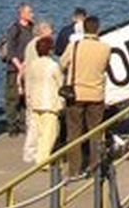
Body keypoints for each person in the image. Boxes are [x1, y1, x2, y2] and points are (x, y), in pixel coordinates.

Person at [59, 14, 112, 178]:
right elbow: (105, 67)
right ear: (98, 29)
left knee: (74, 133)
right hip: (96, 94)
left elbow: (62, 64)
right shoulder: (105, 48)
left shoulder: (74, 46)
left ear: (83, 29)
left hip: (76, 94)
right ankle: (94, 167)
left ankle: (74, 170)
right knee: (95, 132)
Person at [26, 36, 65, 167]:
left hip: (35, 100)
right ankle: (43, 160)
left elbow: (29, 81)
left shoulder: (33, 64)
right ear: (50, 50)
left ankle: (39, 155)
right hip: (49, 102)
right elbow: (60, 82)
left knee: (39, 132)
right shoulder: (53, 65)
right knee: (49, 133)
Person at [22, 20, 54, 163]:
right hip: (37, 87)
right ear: (43, 31)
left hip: (31, 85)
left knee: (33, 120)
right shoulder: (37, 45)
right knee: (35, 122)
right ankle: (32, 151)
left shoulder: (30, 45)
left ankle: (33, 150)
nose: (52, 33)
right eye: (50, 30)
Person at [4, 3, 34, 136]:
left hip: (29, 67)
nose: (32, 14)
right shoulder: (14, 29)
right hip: (15, 68)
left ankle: (23, 124)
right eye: (29, 12)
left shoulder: (32, 28)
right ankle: (12, 126)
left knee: (26, 98)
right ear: (22, 14)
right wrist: (19, 66)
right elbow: (10, 50)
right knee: (13, 98)